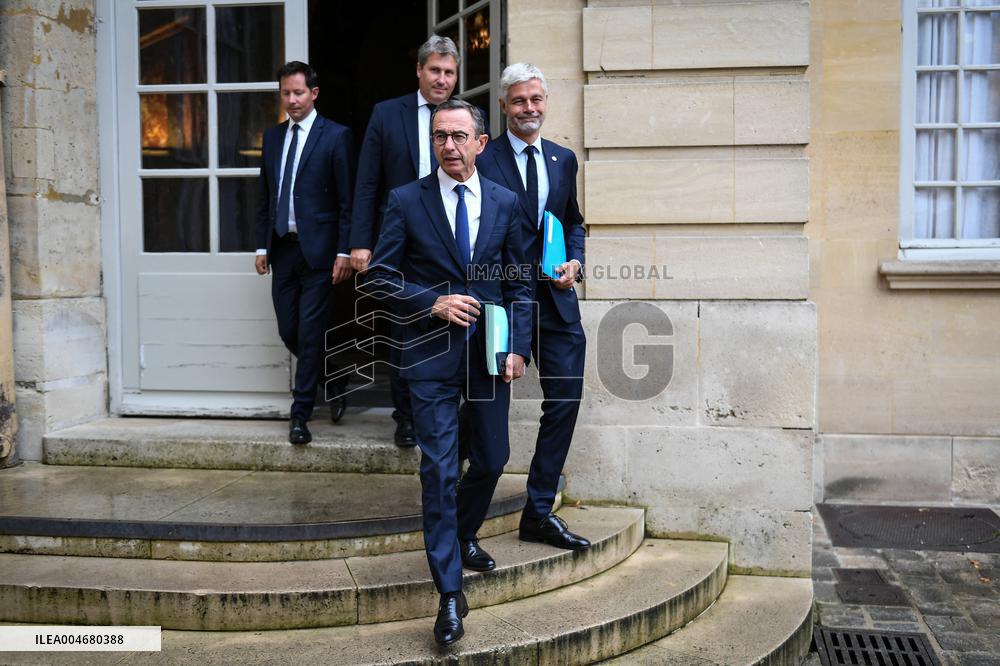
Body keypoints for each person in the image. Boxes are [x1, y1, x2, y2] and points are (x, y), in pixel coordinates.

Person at [363, 99, 531, 646]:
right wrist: (432, 302)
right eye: (440, 136)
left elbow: (518, 282)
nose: (449, 146)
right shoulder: (406, 200)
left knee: (492, 459)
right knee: (437, 472)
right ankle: (449, 594)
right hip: (428, 357)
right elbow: (379, 279)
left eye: (460, 136)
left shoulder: (506, 202)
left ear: (481, 143)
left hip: (488, 356)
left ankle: (459, 537)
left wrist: (519, 348)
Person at [477, 63, 590, 551]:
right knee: (483, 412)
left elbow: (574, 222)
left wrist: (576, 263)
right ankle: (463, 516)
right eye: (519, 101)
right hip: (502, 305)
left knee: (564, 403)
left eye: (536, 100)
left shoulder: (564, 160)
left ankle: (538, 512)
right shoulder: (483, 158)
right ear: (503, 106)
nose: (529, 109)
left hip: (557, 304)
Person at [350, 36, 460, 447]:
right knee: (401, 328)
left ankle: (443, 411)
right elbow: (367, 182)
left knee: (446, 319)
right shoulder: (386, 114)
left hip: (449, 235)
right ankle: (405, 416)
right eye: (435, 70)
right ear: (419, 70)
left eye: (449, 72)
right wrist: (361, 242)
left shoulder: (467, 116)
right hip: (397, 238)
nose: (442, 79)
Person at [255, 61, 355, 445]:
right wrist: (262, 245)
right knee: (289, 329)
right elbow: (266, 196)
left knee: (310, 333)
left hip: (320, 253)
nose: (292, 100)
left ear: (314, 93)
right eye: (286, 93)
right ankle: (335, 373)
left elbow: (347, 199)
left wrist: (344, 250)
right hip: (283, 249)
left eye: (299, 93)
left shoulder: (337, 136)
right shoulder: (272, 137)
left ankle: (301, 415)